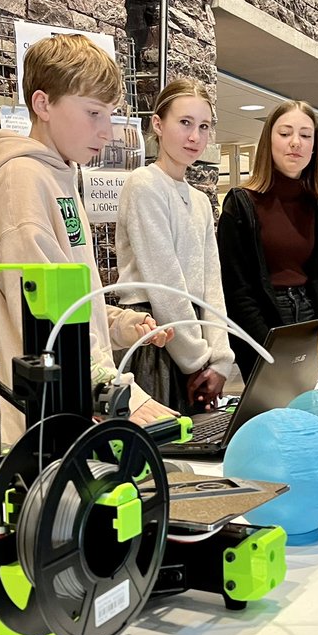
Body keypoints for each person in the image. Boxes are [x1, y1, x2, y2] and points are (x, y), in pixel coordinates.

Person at [0, 33, 174, 444]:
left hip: (64, 408)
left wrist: (118, 323)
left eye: (109, 115)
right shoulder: (22, 178)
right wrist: (118, 393)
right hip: (35, 425)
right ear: (43, 104)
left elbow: (67, 299)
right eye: (94, 113)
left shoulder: (58, 174)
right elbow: (44, 319)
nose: (107, 132)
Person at [115, 78, 234, 414]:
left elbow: (212, 287)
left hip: (191, 338)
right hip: (154, 337)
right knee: (161, 439)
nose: (195, 136)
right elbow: (164, 286)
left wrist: (220, 361)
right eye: (185, 123)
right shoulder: (144, 184)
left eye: (203, 126)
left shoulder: (199, 201)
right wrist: (197, 361)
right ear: (158, 124)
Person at [216, 100, 318, 380]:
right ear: (269, 141)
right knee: (271, 403)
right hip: (261, 323)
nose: (295, 142)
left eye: (305, 135)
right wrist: (266, 349)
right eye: (285, 133)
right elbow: (236, 291)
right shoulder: (241, 205)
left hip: (310, 321)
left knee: (311, 402)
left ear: (314, 147)